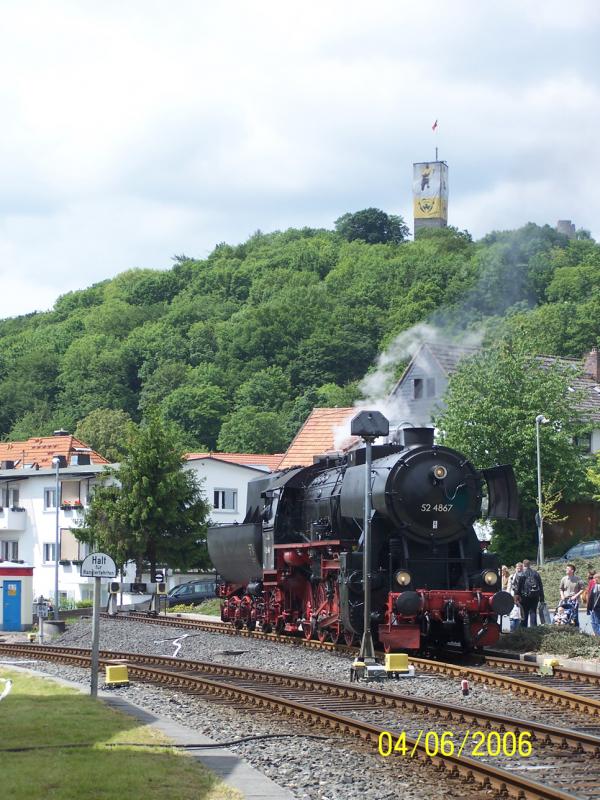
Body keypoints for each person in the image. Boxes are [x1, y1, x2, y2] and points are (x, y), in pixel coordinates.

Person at [514, 559, 544, 627]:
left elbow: (518, 587)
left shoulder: (522, 574)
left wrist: (516, 596)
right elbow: (540, 586)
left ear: (523, 565)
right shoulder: (536, 573)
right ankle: (533, 629)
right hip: (535, 596)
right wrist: (542, 598)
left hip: (524, 597)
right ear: (529, 565)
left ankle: (524, 630)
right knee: (533, 612)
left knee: (524, 614)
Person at [587, 572, 600, 636]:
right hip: (592, 608)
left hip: (597, 608)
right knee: (593, 622)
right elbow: (591, 598)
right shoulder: (594, 586)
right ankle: (597, 635)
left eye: (595, 579)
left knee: (598, 623)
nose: (593, 580)